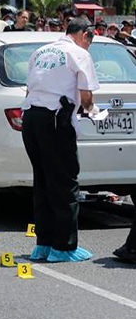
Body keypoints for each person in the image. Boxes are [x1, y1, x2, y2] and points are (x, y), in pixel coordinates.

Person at [22, 18, 99, 262]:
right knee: (65, 184)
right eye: (91, 39)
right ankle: (64, 248)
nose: (90, 45)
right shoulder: (79, 53)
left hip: (31, 119)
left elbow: (29, 89)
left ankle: (43, 245)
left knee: (43, 182)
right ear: (85, 34)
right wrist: (94, 112)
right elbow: (86, 98)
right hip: (55, 120)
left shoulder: (41, 51)